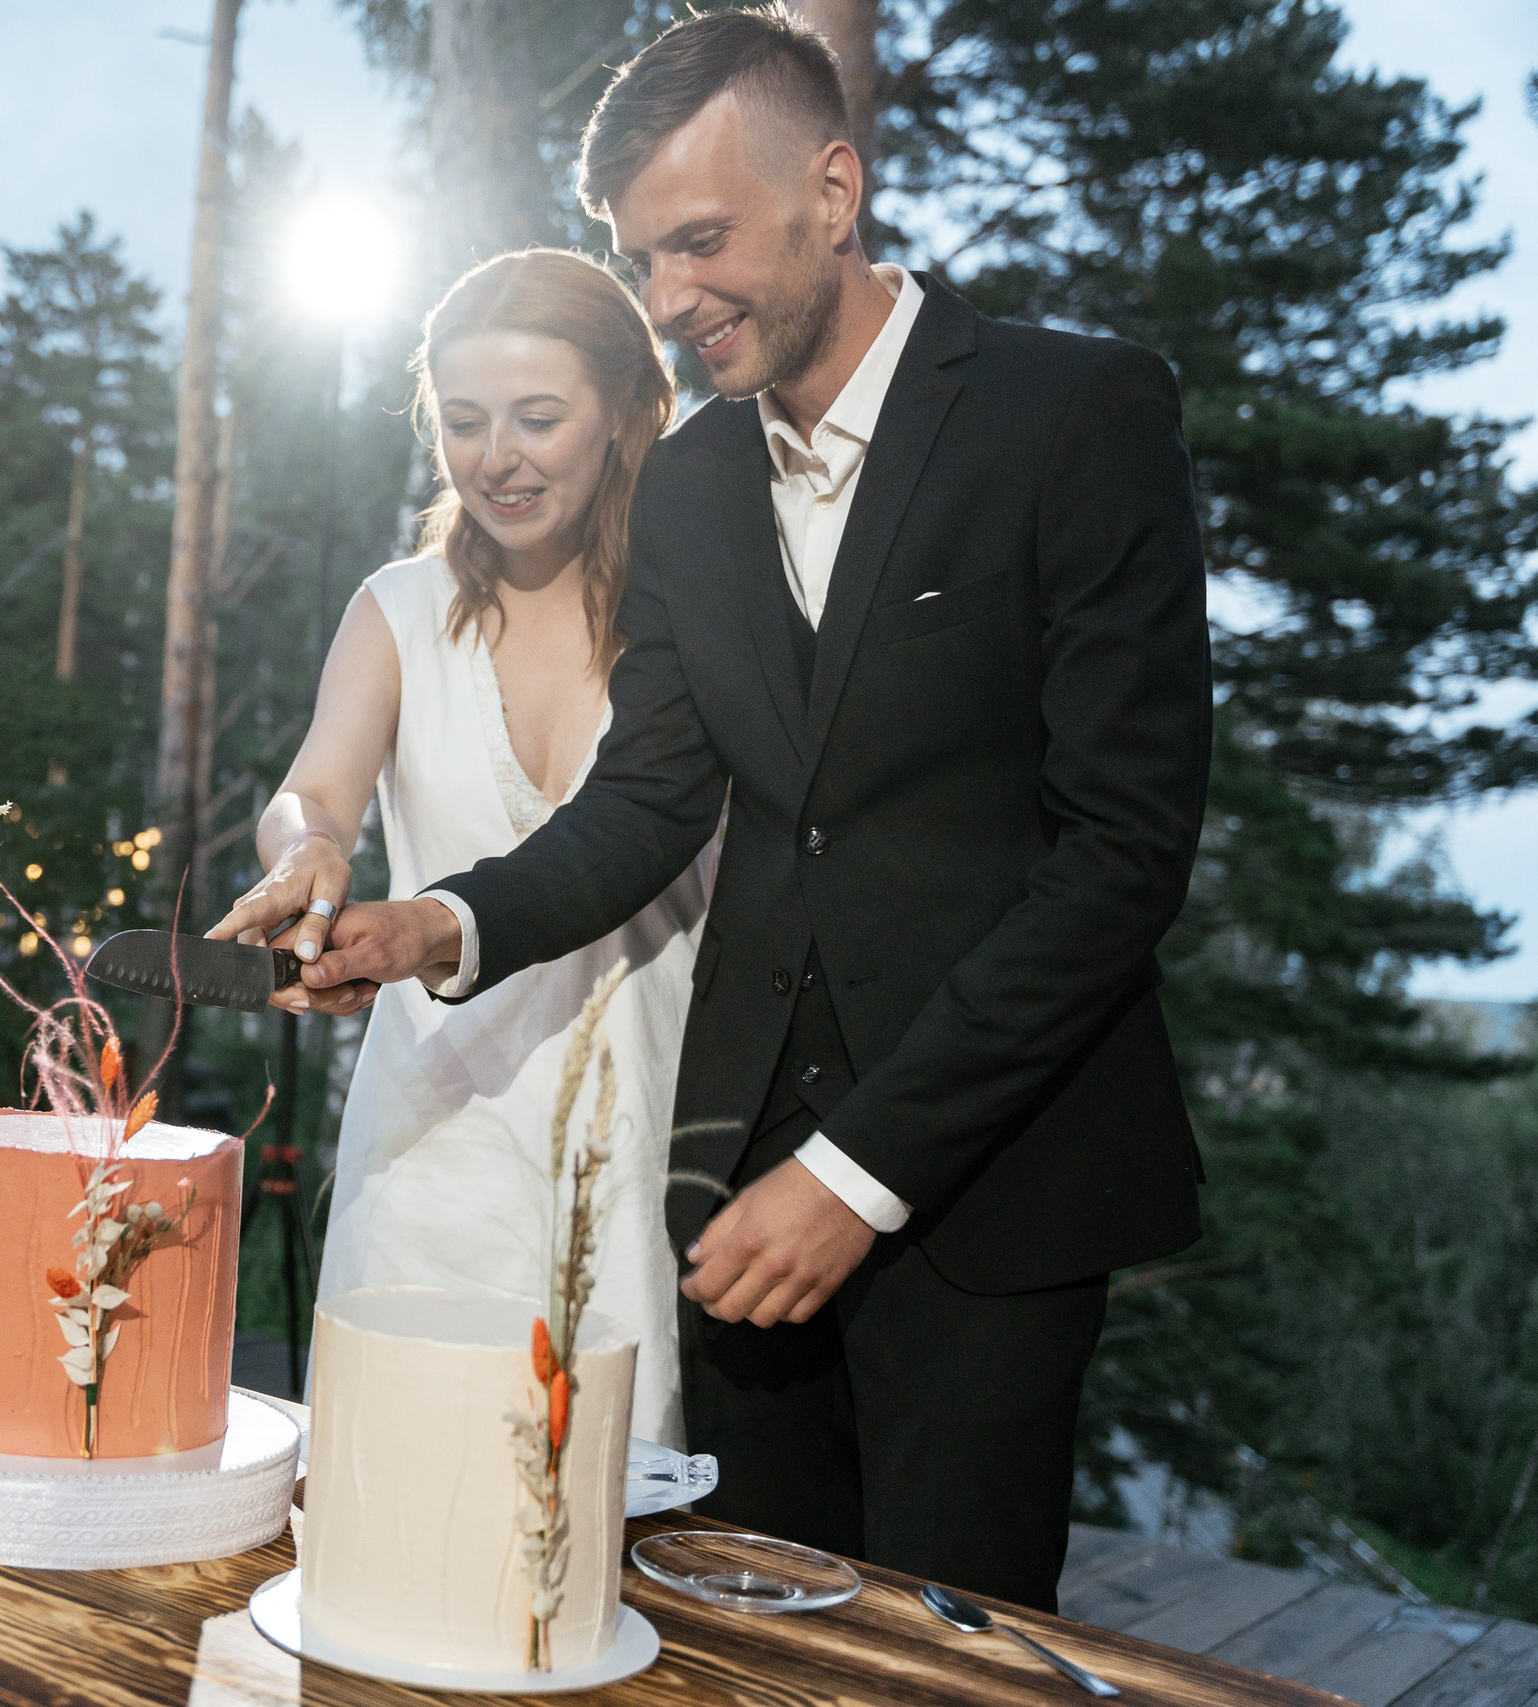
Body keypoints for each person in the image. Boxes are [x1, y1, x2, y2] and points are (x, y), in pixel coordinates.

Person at [298, 4, 1211, 1613]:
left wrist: (855, 1174)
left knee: (941, 1648)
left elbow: (1122, 859)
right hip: (732, 1184)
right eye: (642, 258)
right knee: (744, 1634)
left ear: (834, 191)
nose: (667, 301)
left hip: (987, 1189)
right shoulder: (695, 483)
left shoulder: (1077, 412)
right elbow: (648, 802)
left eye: (701, 241)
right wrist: (434, 924)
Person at [207, 249, 721, 1446]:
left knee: (606, 1507)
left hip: (645, 1138)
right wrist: (305, 852)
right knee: (400, 1485)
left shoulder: (704, 606)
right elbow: (311, 792)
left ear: (626, 411)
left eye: (537, 418)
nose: (496, 458)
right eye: (464, 421)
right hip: (430, 1140)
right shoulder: (395, 606)